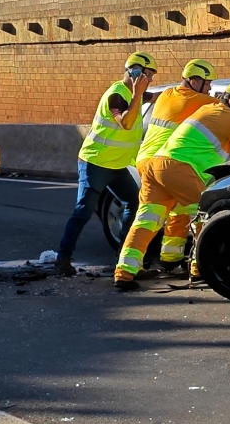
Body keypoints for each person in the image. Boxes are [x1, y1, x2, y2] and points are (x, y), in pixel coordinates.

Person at [113, 80, 230, 290]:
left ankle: (124, 273)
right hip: (179, 169)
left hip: (157, 166)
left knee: (146, 221)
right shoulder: (228, 118)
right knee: (206, 214)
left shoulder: (211, 109)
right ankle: (200, 269)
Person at [54, 52, 155, 276]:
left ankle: (125, 256)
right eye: (146, 75)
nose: (149, 80)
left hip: (116, 166)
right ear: (134, 72)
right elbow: (127, 123)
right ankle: (63, 258)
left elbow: (152, 97)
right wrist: (139, 94)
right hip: (96, 162)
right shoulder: (117, 95)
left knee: (134, 203)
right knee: (83, 211)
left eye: (151, 77)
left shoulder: (135, 94)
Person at [123, 59, 217, 276]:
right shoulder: (200, 100)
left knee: (151, 217)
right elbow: (226, 114)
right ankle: (200, 266)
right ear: (194, 81)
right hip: (167, 163)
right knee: (200, 211)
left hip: (145, 160)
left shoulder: (166, 94)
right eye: (207, 83)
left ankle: (130, 269)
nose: (210, 88)